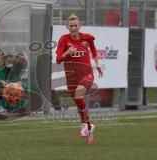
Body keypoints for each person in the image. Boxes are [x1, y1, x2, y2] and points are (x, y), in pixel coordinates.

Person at [56, 14, 103, 145]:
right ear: (67, 27)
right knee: (79, 103)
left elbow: (93, 49)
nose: (74, 28)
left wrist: (97, 63)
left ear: (79, 26)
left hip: (86, 74)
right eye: (71, 26)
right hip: (71, 77)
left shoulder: (86, 38)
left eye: (76, 25)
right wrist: (67, 53)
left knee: (78, 96)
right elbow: (58, 60)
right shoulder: (63, 40)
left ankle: (84, 124)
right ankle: (89, 127)